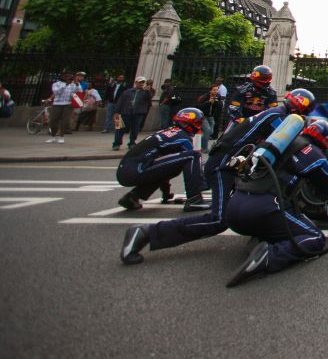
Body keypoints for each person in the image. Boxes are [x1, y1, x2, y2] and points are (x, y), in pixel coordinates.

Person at [120, 88, 316, 266]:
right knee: (219, 219)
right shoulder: (278, 118)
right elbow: (284, 144)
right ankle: (145, 233)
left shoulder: (273, 113)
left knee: (248, 205)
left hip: (228, 163)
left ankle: (266, 235)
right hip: (223, 165)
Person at [224, 116, 328, 287]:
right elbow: (327, 189)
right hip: (263, 209)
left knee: (282, 213)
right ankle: (269, 257)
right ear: (326, 138)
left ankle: (260, 241)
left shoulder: (268, 145)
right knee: (314, 238)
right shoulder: (314, 153)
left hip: (233, 210)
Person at [116, 108, 211, 212]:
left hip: (127, 170)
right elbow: (196, 166)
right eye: (198, 123)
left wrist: (166, 194)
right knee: (193, 156)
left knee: (175, 167)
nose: (199, 126)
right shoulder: (183, 138)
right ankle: (194, 199)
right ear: (191, 124)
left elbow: (164, 169)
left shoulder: (169, 132)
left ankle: (132, 197)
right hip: (136, 169)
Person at [225, 65, 279, 129]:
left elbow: (274, 111)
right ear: (254, 76)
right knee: (227, 136)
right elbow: (233, 108)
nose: (266, 80)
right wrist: (240, 120)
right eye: (263, 78)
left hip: (260, 122)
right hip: (241, 120)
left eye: (267, 77)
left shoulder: (271, 93)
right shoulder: (242, 90)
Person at [113, 77, 153, 150]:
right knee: (119, 128)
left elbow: (149, 99)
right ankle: (116, 143)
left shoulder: (145, 92)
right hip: (124, 112)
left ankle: (132, 143)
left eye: (142, 82)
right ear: (136, 82)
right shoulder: (127, 92)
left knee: (135, 129)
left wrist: (147, 91)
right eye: (139, 82)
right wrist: (116, 112)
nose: (141, 84)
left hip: (138, 113)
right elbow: (120, 101)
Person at [46, 70, 80, 144]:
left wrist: (76, 83)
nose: (68, 78)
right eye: (66, 76)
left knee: (65, 121)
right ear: (62, 76)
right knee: (53, 121)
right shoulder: (56, 84)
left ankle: (61, 136)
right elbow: (56, 92)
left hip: (68, 104)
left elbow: (79, 91)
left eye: (70, 76)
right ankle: (53, 136)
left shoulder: (73, 84)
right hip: (57, 104)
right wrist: (65, 84)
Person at [197, 84, 225, 151]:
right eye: (214, 90)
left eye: (217, 90)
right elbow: (198, 106)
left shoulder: (218, 96)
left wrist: (217, 102)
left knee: (211, 132)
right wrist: (208, 102)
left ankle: (199, 144)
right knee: (208, 130)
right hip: (203, 116)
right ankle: (205, 148)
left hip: (211, 116)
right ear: (210, 90)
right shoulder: (205, 96)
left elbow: (221, 105)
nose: (216, 91)